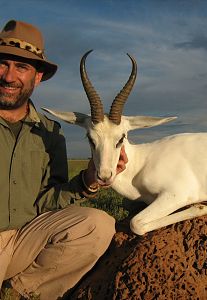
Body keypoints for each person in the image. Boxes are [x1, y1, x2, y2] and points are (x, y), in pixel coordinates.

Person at [0, 20, 128, 299]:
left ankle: (24, 290)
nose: (9, 76)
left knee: (99, 225)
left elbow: (48, 202)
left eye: (21, 67)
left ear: (37, 77)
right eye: (2, 63)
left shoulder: (50, 132)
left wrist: (89, 180)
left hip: (24, 238)